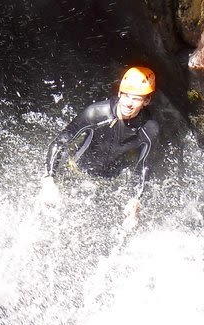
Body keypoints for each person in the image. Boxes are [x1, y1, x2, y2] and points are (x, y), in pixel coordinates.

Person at [40, 66, 160, 230]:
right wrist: (49, 180)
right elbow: (60, 142)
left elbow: (144, 166)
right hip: (77, 172)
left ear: (146, 101)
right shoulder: (95, 114)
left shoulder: (149, 129)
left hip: (110, 182)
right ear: (119, 93)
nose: (129, 103)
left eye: (136, 98)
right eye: (126, 95)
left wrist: (135, 200)